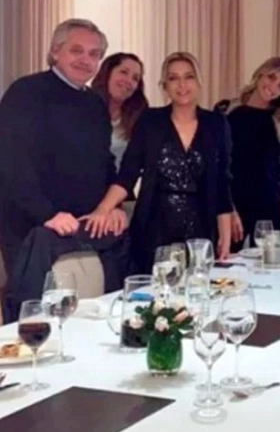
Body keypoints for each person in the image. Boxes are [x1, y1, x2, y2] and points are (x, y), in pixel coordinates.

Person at [0, 18, 129, 321]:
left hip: (84, 228)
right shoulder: (26, 92)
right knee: (35, 321)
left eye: (94, 54)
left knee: (95, 314)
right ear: (55, 51)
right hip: (33, 227)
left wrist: (114, 207)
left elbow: (105, 164)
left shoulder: (95, 104)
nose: (86, 60)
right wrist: (47, 214)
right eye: (76, 50)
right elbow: (11, 162)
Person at [84, 52, 233, 274]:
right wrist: (102, 210)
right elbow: (128, 174)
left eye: (189, 76)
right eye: (173, 78)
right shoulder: (150, 120)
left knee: (197, 289)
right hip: (153, 226)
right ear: (165, 86)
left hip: (201, 229)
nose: (182, 85)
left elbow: (222, 181)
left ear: (199, 82)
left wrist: (225, 234)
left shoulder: (216, 123)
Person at [220, 57, 280, 249]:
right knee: (228, 263)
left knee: (271, 263)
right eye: (271, 77)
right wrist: (229, 209)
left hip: (269, 207)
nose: (273, 87)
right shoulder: (227, 112)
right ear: (261, 74)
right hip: (235, 203)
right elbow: (220, 167)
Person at [91, 52, 148, 170]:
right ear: (108, 73)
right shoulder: (83, 108)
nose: (129, 81)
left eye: (135, 78)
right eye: (124, 72)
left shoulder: (139, 118)